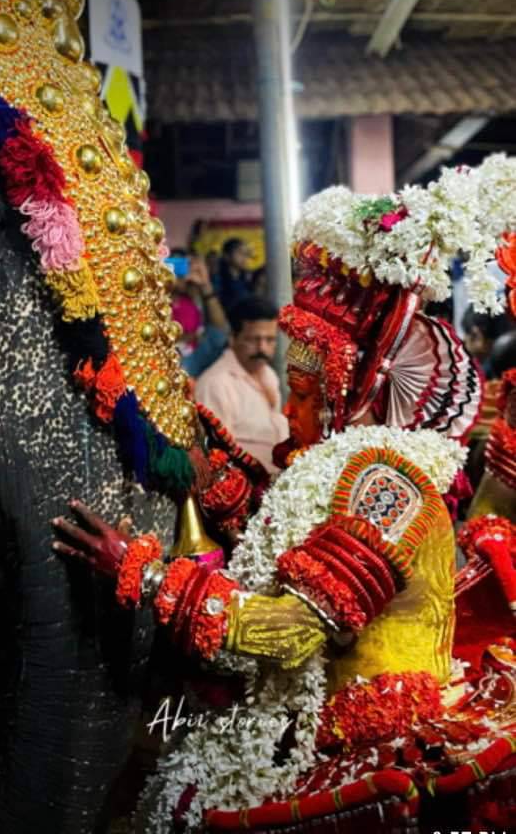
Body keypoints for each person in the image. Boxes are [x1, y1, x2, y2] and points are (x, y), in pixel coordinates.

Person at [54, 166, 516, 832]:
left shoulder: (388, 489)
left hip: (357, 740)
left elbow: (290, 631)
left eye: (304, 396)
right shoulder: (345, 470)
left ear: (350, 396)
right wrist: (208, 467)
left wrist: (146, 573)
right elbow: (279, 534)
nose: (290, 415)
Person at [194, 296, 288, 473]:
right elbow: (217, 457)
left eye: (270, 340)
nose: (262, 348)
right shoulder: (216, 384)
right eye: (254, 339)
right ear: (233, 338)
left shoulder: (269, 375)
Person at [212, 237, 254, 312]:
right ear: (226, 256)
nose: (244, 257)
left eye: (246, 253)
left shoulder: (247, 278)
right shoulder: (218, 279)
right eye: (240, 253)